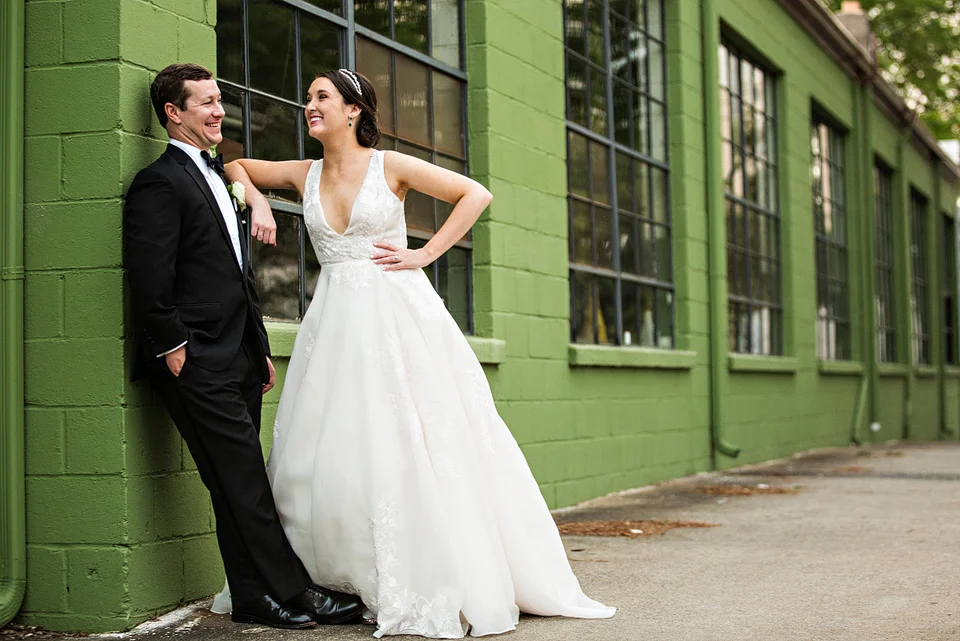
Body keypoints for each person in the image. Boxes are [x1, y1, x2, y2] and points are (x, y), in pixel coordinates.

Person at [220, 68, 616, 638]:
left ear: (353, 110)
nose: (309, 105)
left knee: (412, 433)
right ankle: (336, 573)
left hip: (396, 315)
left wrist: (425, 253)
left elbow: (474, 194)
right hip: (332, 326)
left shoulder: (391, 166)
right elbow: (234, 165)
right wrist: (256, 201)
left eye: (322, 97)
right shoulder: (303, 174)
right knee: (333, 444)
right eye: (307, 98)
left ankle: (427, 569)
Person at [123, 63, 367, 630]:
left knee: (230, 482)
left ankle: (255, 596)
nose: (217, 112)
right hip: (195, 359)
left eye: (218, 101)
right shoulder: (160, 182)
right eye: (204, 103)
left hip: (237, 354)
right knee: (247, 482)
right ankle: (298, 591)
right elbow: (149, 274)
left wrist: (257, 347)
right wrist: (172, 346)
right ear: (173, 114)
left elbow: (237, 274)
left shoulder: (217, 174)